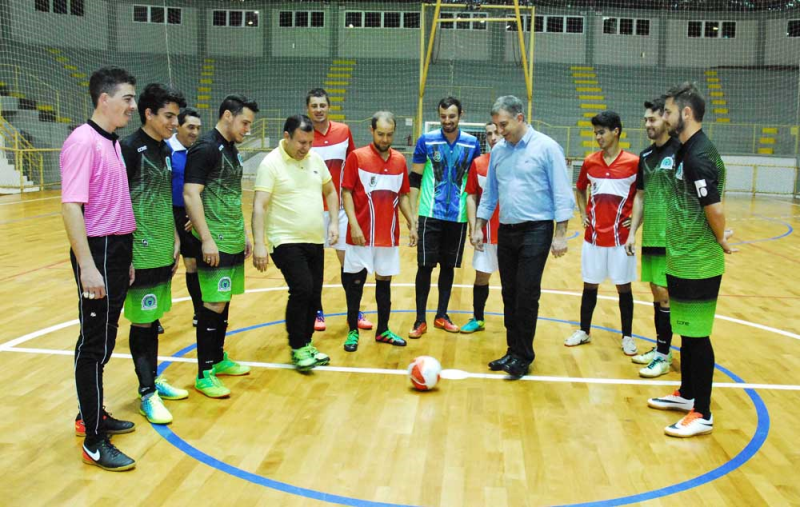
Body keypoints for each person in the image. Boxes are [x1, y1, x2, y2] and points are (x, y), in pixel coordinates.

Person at [62, 66, 138, 471]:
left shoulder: (111, 143)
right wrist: (89, 267)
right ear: (103, 100)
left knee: (105, 340)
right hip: (98, 251)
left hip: (116, 251)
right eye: (127, 98)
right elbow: (71, 206)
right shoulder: (82, 142)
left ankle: (92, 413)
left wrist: (123, 261)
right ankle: (93, 438)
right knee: (93, 345)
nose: (133, 106)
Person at [649, 82, 734, 438]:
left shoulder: (698, 156)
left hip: (699, 261)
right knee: (686, 331)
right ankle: (686, 394)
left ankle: (703, 412)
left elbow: (713, 207)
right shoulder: (686, 149)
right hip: (682, 257)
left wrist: (719, 239)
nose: (664, 117)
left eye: (668, 111)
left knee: (697, 338)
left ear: (685, 113)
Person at [473, 95, 574, 378]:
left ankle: (524, 356)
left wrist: (561, 234)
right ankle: (512, 351)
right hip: (506, 230)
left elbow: (562, 193)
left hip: (536, 230)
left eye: (503, 124)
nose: (499, 131)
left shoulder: (547, 148)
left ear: (520, 117)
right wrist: (480, 225)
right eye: (495, 125)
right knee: (509, 293)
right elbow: (490, 193)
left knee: (526, 294)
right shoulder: (499, 152)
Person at [120, 83, 188, 425]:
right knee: (143, 322)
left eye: (176, 117)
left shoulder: (164, 150)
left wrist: (175, 236)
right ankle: (147, 393)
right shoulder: (129, 148)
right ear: (148, 113)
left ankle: (153, 381)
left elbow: (163, 197)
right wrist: (126, 252)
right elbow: (118, 203)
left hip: (164, 245)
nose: (174, 123)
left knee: (154, 320)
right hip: (140, 248)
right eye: (168, 116)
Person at [184, 94, 257, 398]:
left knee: (223, 302)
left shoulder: (230, 149)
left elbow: (228, 195)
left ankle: (218, 357)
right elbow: (191, 194)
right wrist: (207, 238)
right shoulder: (206, 148)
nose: (247, 129)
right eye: (244, 122)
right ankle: (204, 373)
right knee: (212, 305)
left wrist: (243, 234)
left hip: (231, 237)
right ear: (228, 115)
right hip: (214, 241)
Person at [252, 115, 337, 371]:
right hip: (285, 239)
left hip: (314, 239)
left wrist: (333, 222)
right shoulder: (270, 164)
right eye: (301, 142)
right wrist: (259, 243)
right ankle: (298, 347)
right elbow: (259, 205)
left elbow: (331, 191)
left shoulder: (315, 160)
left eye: (310, 142)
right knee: (302, 288)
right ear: (287, 137)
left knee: (314, 293)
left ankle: (307, 344)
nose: (306, 148)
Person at [340, 111, 418, 352]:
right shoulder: (357, 157)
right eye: (381, 134)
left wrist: (411, 222)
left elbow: (403, 195)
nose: (385, 139)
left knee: (384, 282)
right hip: (360, 235)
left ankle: (383, 329)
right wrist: (353, 224)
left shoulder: (399, 161)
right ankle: (352, 330)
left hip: (388, 236)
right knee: (355, 282)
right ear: (372, 131)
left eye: (389, 134)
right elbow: (346, 193)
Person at [564, 111, 639, 357]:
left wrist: (637, 224)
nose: (598, 137)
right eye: (595, 132)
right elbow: (580, 188)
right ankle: (584, 331)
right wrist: (583, 212)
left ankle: (627, 336)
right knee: (590, 285)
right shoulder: (590, 161)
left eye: (602, 132)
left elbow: (643, 197)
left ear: (616, 131)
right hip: (594, 237)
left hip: (621, 238)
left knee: (623, 288)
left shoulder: (634, 163)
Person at [408, 96, 481, 338]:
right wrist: (412, 219)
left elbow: (473, 185)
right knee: (425, 267)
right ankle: (420, 319)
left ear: (461, 115)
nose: (447, 121)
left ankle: (441, 314)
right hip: (429, 214)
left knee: (448, 268)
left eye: (452, 116)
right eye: (443, 116)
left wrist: (474, 223)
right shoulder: (426, 141)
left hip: (458, 217)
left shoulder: (472, 144)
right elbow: (415, 180)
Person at [307, 88, 372, 332]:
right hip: (312, 209)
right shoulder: (303, 133)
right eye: (314, 106)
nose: (318, 110)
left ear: (329, 107)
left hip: (342, 210)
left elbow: (353, 163)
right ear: (308, 109)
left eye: (322, 105)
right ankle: (316, 311)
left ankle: (354, 312)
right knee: (315, 266)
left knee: (350, 263)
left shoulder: (343, 131)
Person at [625, 98, 681, 377]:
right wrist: (633, 232)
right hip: (652, 236)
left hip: (674, 237)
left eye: (652, 119)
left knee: (666, 293)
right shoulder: (646, 156)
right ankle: (661, 348)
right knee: (657, 293)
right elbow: (640, 197)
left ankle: (664, 354)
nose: (647, 124)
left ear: (666, 121)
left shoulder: (681, 152)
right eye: (646, 120)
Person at [462, 121, 501, 334]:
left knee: (514, 283)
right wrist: (474, 227)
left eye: (497, 132)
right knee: (481, 277)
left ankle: (513, 322)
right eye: (489, 134)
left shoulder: (518, 163)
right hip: (486, 233)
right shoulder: (478, 163)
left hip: (511, 235)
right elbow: (471, 196)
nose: (493, 137)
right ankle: (478, 318)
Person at [168, 107, 203, 327]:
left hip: (190, 214)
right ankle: (151, 316)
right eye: (190, 127)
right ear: (178, 126)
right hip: (167, 214)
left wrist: (197, 213)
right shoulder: (166, 150)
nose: (195, 132)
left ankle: (199, 311)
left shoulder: (198, 151)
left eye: (198, 128)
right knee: (166, 265)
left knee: (192, 264)